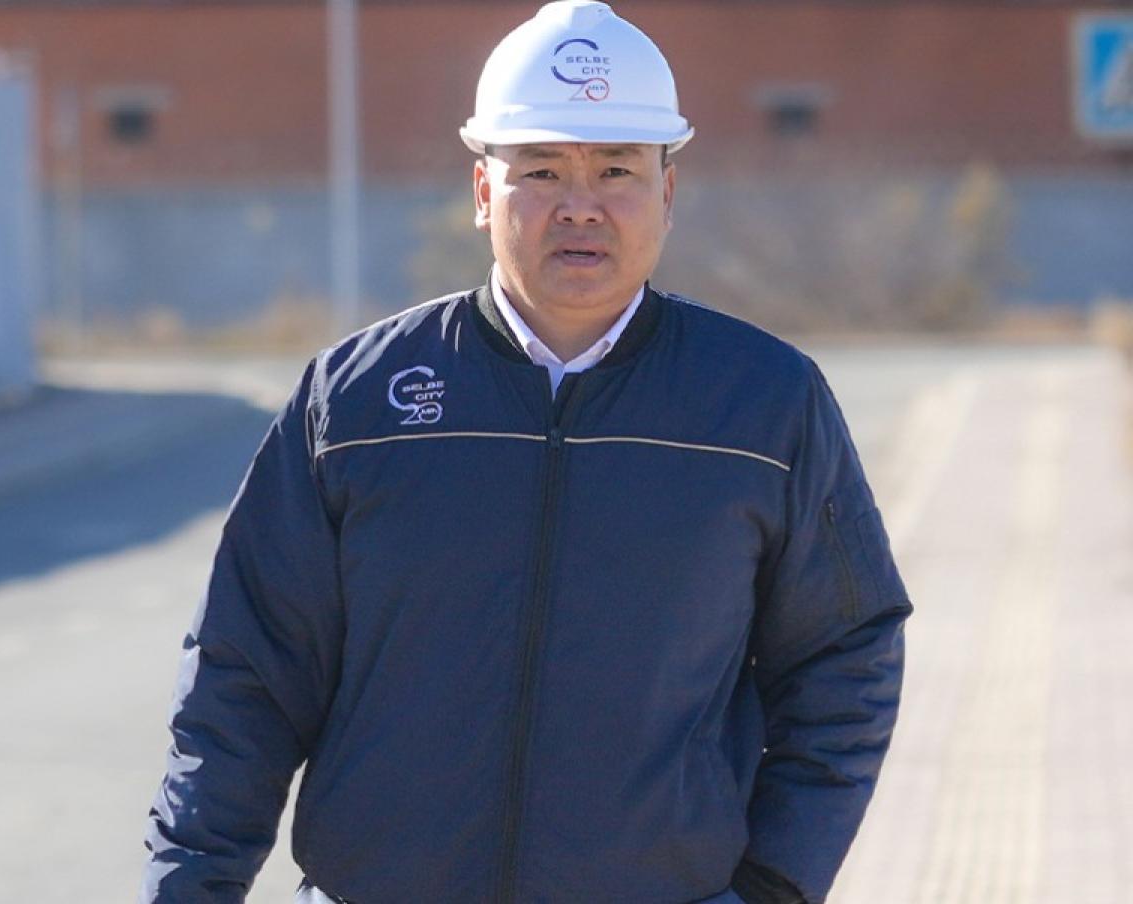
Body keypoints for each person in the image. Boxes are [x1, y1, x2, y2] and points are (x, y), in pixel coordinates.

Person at [140, 2, 912, 902]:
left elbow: (844, 658)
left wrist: (774, 885)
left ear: (666, 194)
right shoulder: (352, 402)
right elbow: (244, 675)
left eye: (616, 169)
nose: (580, 204)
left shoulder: (765, 404)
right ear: (483, 193)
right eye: (541, 170)